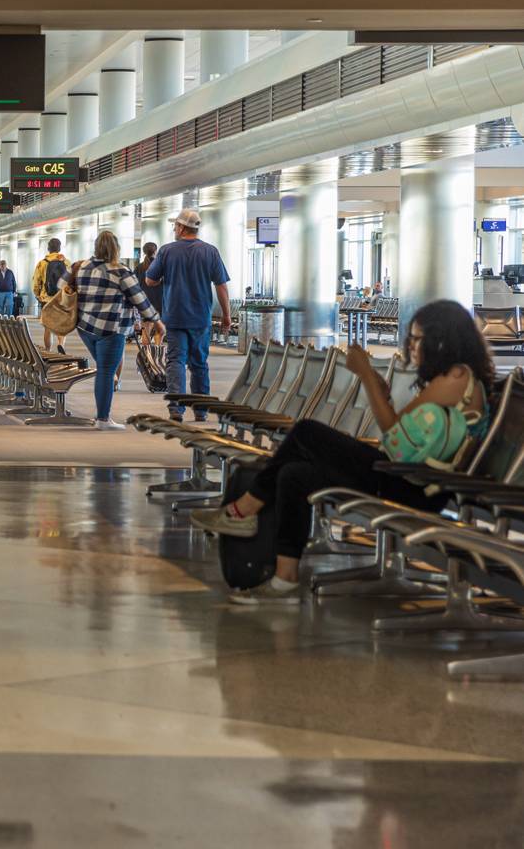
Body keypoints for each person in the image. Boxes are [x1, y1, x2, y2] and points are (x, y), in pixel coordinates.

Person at [191, 300, 492, 605]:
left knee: (307, 433)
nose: (411, 345)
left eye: (417, 338)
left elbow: (393, 432)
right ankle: (285, 578)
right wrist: (375, 386)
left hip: (415, 485)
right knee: (294, 474)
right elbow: (399, 434)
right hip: (406, 476)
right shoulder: (457, 378)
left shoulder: (456, 376)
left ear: (442, 340)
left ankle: (242, 511)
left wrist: (365, 375)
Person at [63, 232, 163, 430]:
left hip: (85, 328)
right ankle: (102, 419)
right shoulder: (121, 271)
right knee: (106, 372)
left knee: (104, 368)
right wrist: (157, 320)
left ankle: (102, 415)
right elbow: (139, 299)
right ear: (116, 248)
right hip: (111, 329)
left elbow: (60, 286)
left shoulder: (79, 266)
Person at [143, 209, 232, 422]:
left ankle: (176, 408)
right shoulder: (210, 252)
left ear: (182, 228)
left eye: (175, 226)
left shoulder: (167, 251)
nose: (174, 229)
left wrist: (167, 277)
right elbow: (221, 286)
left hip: (174, 317)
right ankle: (200, 410)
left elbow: (149, 280)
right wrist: (227, 316)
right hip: (201, 318)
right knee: (199, 363)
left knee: (175, 361)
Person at [31, 239, 70, 354]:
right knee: (61, 325)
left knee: (48, 327)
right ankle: (60, 344)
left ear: (48, 248)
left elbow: (36, 283)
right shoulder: (67, 262)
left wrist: (38, 295)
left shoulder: (42, 263)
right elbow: (71, 281)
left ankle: (48, 350)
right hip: (61, 298)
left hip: (46, 299)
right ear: (59, 248)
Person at [134, 242, 163, 317]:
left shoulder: (138, 267)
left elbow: (135, 286)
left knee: (146, 326)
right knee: (159, 327)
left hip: (144, 301)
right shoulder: (160, 266)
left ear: (144, 252)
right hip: (159, 301)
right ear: (155, 251)